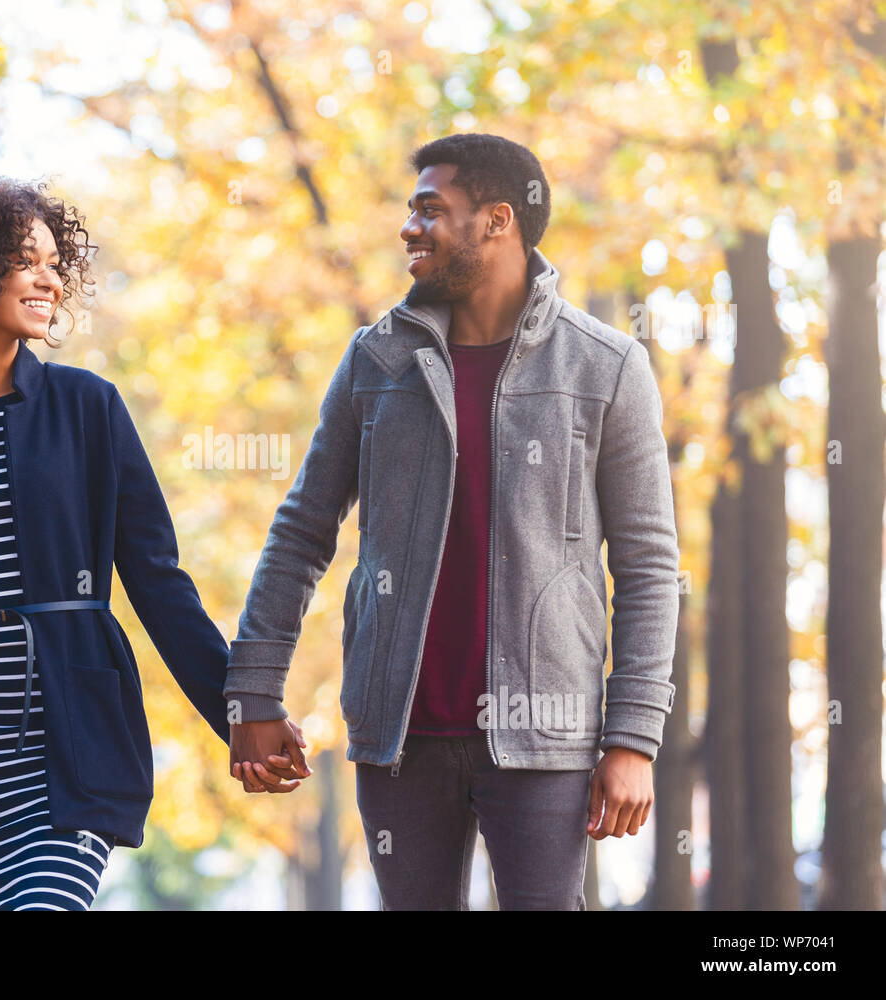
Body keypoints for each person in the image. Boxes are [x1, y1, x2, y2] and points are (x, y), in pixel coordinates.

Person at [224, 133, 679, 910]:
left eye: (431, 212)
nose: (410, 229)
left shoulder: (605, 367)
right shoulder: (377, 360)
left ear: (498, 220)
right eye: (410, 211)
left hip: (546, 738)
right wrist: (253, 690)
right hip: (398, 736)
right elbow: (302, 530)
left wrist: (633, 737)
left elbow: (646, 567)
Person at [0, 160, 241, 910]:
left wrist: (241, 711)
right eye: (25, 263)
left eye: (54, 264)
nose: (51, 282)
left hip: (74, 748)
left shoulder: (87, 408)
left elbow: (158, 580)